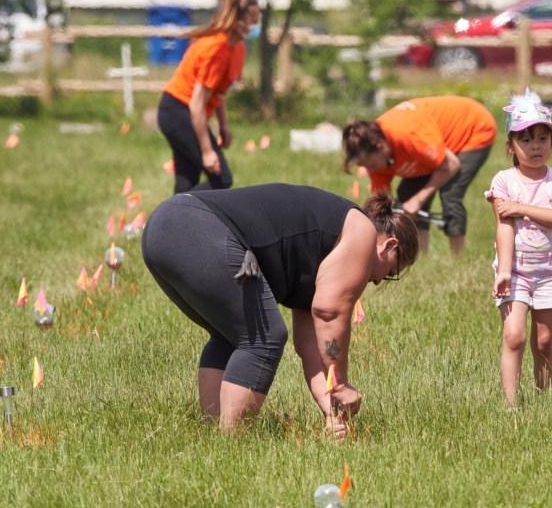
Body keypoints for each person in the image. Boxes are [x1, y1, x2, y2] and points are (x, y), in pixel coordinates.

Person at [141, 185, 419, 434]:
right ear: (389, 246)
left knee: (233, 335)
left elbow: (312, 348)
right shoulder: (362, 233)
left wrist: (332, 413)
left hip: (164, 228)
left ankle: (214, 437)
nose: (379, 280)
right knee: (263, 338)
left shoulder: (326, 251)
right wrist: (343, 383)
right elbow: (330, 313)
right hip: (195, 229)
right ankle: (232, 445)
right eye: (392, 271)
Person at [485, 92, 552, 407]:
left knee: (544, 341)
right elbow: (504, 226)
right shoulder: (503, 181)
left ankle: (544, 399)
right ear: (511, 146)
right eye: (526, 139)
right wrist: (504, 272)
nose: (535, 146)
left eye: (542, 138)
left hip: (549, 272)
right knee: (514, 336)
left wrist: (520, 207)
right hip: (516, 271)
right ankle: (510, 406)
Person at [343, 96, 496, 254]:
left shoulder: (409, 135)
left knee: (450, 194)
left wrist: (418, 200)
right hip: (431, 146)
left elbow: (450, 165)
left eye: (371, 165)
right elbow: (382, 203)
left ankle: (458, 257)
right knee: (407, 195)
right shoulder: (375, 148)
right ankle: (421, 256)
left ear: (380, 147)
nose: (371, 170)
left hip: (472, 127)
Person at [157, 0, 259, 193]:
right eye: (252, 21)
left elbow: (218, 92)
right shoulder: (216, 47)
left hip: (186, 111)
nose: (255, 26)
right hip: (178, 111)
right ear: (237, 20)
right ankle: (172, 215)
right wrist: (207, 151)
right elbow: (196, 105)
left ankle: (177, 223)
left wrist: (223, 125)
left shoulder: (236, 47)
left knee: (187, 182)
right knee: (221, 179)